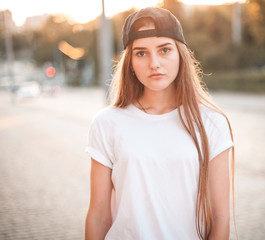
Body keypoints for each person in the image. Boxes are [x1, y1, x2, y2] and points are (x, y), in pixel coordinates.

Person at [85, 7, 236, 240]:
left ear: (180, 54)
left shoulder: (212, 122)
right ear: (131, 63)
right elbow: (98, 216)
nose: (154, 63)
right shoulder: (107, 123)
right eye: (141, 53)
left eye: (164, 50)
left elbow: (220, 218)